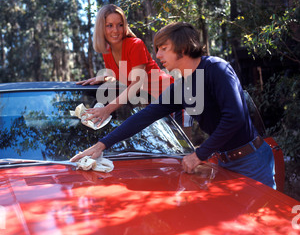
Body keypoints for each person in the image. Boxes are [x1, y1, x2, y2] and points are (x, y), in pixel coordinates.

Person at [71, 22, 276, 189]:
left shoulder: (217, 69)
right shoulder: (182, 87)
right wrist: (102, 145)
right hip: (223, 163)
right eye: (157, 50)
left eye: (163, 49)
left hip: (252, 161)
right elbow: (145, 116)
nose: (158, 56)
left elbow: (235, 118)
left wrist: (199, 154)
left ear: (183, 49)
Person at [77, 4, 191, 128]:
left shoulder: (135, 45)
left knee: (181, 145)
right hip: (153, 105)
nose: (115, 30)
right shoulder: (107, 51)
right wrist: (104, 77)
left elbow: (136, 84)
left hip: (174, 97)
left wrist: (107, 110)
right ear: (101, 28)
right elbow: (116, 74)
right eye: (109, 25)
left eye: (120, 25)